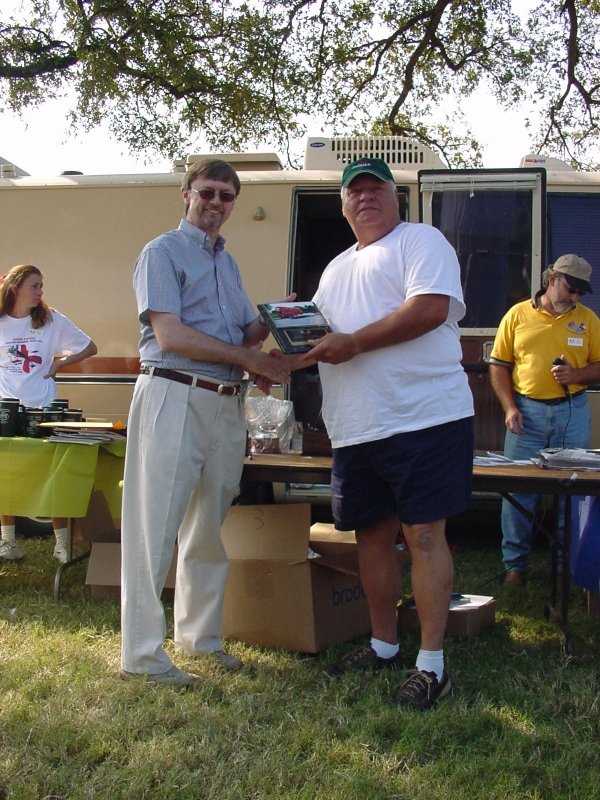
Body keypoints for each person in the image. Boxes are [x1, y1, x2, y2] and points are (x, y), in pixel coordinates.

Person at [286, 157, 474, 710]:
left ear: (397, 199)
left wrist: (356, 343)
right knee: (371, 538)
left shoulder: (422, 241)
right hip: (356, 426)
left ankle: (432, 665)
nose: (365, 197)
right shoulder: (335, 269)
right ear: (343, 206)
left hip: (424, 417)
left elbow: (430, 309)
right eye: (355, 192)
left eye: (376, 189)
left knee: (422, 537)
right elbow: (312, 340)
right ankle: (383, 645)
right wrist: (271, 362)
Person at [120, 158, 291, 688]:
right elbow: (170, 336)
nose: (216, 203)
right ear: (186, 194)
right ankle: (144, 655)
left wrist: (279, 316)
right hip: (174, 394)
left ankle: (199, 638)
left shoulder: (228, 263)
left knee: (207, 527)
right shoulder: (160, 253)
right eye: (208, 192)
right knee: (156, 527)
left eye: (227, 196)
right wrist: (249, 360)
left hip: (224, 403)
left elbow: (242, 336)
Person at [489, 254, 600, 586]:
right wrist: (510, 408)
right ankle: (515, 566)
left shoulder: (589, 320)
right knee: (518, 491)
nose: (576, 297)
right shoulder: (517, 315)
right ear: (551, 278)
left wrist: (577, 374)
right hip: (527, 413)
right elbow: (498, 365)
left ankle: (569, 568)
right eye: (572, 288)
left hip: (573, 411)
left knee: (574, 490)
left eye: (581, 292)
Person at [0, 263, 97, 563]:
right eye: (35, 286)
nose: (40, 292)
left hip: (43, 408)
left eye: (42, 286)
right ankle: (8, 543)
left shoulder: (51, 319)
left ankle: (62, 545)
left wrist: (58, 365)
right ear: (15, 288)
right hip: (6, 409)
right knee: (7, 475)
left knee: (52, 477)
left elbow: (89, 347)